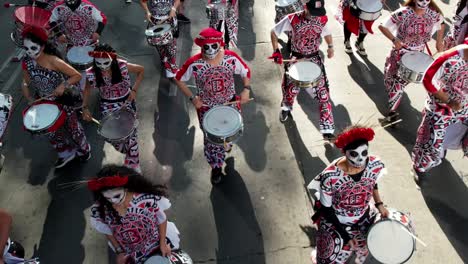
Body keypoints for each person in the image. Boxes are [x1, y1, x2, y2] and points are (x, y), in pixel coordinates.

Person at [174, 28, 251, 184]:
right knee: (212, 141)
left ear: (219, 44)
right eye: (205, 47)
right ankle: (216, 166)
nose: (209, 50)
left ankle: (226, 143)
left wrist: (246, 90)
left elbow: (246, 71)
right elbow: (178, 78)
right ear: (201, 46)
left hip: (229, 104)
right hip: (207, 108)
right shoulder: (194, 63)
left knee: (229, 133)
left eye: (213, 46)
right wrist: (192, 98)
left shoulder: (231, 58)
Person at [310, 125, 389, 264]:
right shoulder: (330, 177)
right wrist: (344, 235)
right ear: (345, 153)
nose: (360, 159)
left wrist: (379, 204)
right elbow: (326, 210)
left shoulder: (375, 164)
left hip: (363, 215)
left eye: (364, 153)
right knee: (326, 258)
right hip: (336, 220)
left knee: (372, 244)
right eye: (354, 154)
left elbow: (372, 182)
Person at [21, 26, 91, 168]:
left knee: (72, 128)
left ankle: (84, 150)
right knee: (51, 131)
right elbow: (25, 82)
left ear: (43, 45)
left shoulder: (54, 61)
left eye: (33, 48)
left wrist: (62, 85)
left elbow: (76, 76)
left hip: (64, 100)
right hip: (44, 101)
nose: (29, 52)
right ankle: (66, 153)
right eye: (26, 49)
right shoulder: (27, 62)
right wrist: (28, 98)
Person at [269, 0, 336, 141]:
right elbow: (274, 32)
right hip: (296, 59)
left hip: (314, 59)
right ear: (305, 7)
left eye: (318, 13)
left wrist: (330, 46)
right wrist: (276, 51)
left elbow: (327, 32)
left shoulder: (322, 18)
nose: (315, 17)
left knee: (323, 95)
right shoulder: (292, 18)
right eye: (312, 13)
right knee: (291, 90)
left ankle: (327, 129)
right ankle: (286, 107)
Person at [89, 165, 180, 264]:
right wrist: (119, 251)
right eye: (108, 198)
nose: (113, 201)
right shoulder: (102, 209)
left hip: (154, 242)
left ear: (126, 188)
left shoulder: (147, 200)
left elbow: (161, 219)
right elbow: (107, 230)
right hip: (130, 251)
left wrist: (162, 243)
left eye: (116, 196)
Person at [411, 39, 468, 186]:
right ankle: (419, 168)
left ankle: (443, 148)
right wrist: (448, 100)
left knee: (459, 138)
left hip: (465, 108)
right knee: (432, 142)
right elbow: (428, 79)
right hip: (442, 107)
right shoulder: (451, 57)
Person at [378, 0, 445, 124]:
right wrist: (394, 40)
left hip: (418, 55)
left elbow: (441, 24)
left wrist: (438, 42)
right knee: (390, 79)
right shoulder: (403, 13)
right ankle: (395, 97)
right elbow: (382, 25)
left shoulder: (433, 14)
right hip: (399, 52)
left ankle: (392, 111)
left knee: (398, 83)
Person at [82, 44, 144, 173]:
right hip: (107, 105)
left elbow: (141, 70)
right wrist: (85, 107)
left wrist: (134, 90)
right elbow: (87, 89)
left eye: (106, 63)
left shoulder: (122, 65)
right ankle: (129, 153)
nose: (103, 67)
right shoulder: (91, 72)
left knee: (130, 134)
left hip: (126, 102)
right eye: (99, 64)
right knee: (113, 137)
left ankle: (134, 163)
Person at [140, 0, 180, 79]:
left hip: (170, 19)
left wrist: (174, 9)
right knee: (159, 45)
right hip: (156, 21)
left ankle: (172, 65)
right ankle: (166, 64)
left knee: (171, 45)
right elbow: (143, 1)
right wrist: (147, 12)